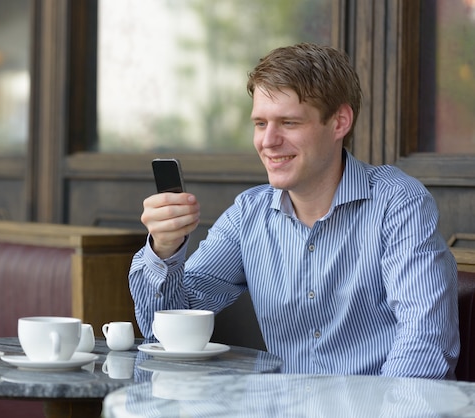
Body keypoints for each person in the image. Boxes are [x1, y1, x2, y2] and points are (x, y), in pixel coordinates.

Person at [128, 42, 459, 379]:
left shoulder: (398, 203)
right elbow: (167, 330)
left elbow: (425, 341)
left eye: (288, 122)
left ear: (340, 122)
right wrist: (164, 251)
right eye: (260, 123)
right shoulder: (248, 215)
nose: (268, 141)